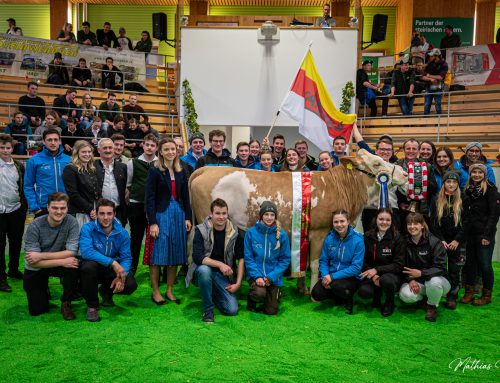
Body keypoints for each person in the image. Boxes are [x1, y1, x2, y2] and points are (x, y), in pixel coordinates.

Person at [145, 138, 192, 305]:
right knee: (157, 256)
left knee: (174, 254)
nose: (171, 152)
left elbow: (186, 197)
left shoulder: (181, 171)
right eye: (167, 149)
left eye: (173, 149)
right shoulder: (154, 170)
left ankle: (170, 290)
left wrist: (187, 217)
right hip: (160, 215)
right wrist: (152, 223)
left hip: (178, 215)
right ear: (161, 151)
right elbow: (149, 198)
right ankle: (156, 292)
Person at [186, 198, 245, 322]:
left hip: (222, 276)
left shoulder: (234, 232)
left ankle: (211, 292)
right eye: (217, 213)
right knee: (204, 271)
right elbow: (197, 257)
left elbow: (241, 258)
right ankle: (208, 310)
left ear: (227, 214)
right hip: (202, 272)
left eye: (224, 213)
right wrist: (220, 264)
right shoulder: (200, 230)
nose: (221, 217)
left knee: (232, 309)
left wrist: (238, 283)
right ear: (211, 214)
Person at [23, 192, 79, 320]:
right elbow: (32, 261)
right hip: (36, 268)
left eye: (62, 208)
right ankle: (43, 288)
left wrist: (41, 256)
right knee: (38, 310)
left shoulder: (71, 222)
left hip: (48, 261)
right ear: (47, 207)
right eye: (54, 208)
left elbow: (72, 252)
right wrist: (61, 261)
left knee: (73, 264)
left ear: (67, 208)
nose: (59, 212)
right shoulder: (34, 225)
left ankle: (66, 302)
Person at [80, 199, 138, 322]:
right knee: (87, 267)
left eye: (109, 213)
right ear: (96, 214)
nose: (106, 217)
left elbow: (126, 258)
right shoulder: (87, 228)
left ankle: (106, 292)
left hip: (110, 269)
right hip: (94, 267)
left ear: (114, 214)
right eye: (102, 213)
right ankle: (92, 306)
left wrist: (121, 275)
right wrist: (113, 262)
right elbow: (86, 252)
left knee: (130, 284)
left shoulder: (122, 233)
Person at [311, 209, 364, 314]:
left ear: (348, 221)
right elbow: (324, 260)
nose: (339, 225)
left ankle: (348, 299)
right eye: (336, 222)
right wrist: (325, 276)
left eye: (342, 221)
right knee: (316, 294)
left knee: (337, 286)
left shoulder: (358, 240)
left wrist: (332, 277)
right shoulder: (329, 238)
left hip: (351, 277)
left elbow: (356, 268)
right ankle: (339, 297)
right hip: (331, 275)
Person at [399, 212, 450, 322]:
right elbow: (401, 265)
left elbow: (440, 268)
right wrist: (410, 280)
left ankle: (432, 306)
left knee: (434, 282)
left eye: (416, 223)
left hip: (439, 282)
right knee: (405, 295)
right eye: (409, 224)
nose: (412, 227)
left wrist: (422, 273)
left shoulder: (434, 242)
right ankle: (425, 300)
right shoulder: (403, 242)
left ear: (422, 225)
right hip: (417, 283)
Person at [460, 163, 499, 306]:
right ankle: (469, 292)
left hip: (484, 234)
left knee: (485, 264)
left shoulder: (491, 190)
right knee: (470, 263)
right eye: (473, 172)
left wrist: (487, 235)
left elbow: (494, 215)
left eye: (479, 172)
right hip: (470, 234)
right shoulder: (468, 190)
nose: (476, 174)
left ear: (484, 174)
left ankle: (486, 295)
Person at [244, 201, 291, 315]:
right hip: (256, 275)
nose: (269, 218)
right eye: (266, 214)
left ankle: (274, 295)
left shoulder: (282, 235)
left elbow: (285, 260)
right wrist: (257, 276)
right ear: (261, 216)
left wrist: (271, 277)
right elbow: (248, 258)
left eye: (272, 215)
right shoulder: (250, 233)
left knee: (271, 311)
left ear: (275, 216)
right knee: (259, 293)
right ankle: (252, 299)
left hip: (273, 276)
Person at [430, 170, 466, 310]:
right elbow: (433, 222)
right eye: (448, 182)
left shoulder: (464, 198)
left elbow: (467, 222)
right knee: (440, 268)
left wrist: (457, 240)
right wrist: (441, 240)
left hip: (457, 242)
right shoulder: (436, 199)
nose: (451, 185)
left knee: (454, 269)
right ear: (444, 183)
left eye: (454, 182)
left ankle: (452, 296)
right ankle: (441, 293)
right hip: (441, 242)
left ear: (457, 184)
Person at [358, 209, 405, 317]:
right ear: (376, 220)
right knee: (364, 292)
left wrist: (377, 270)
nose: (384, 222)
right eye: (381, 219)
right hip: (371, 273)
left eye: (388, 220)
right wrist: (373, 275)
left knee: (386, 280)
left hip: (391, 274)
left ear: (392, 221)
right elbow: (363, 260)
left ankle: (389, 302)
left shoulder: (398, 238)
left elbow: (398, 265)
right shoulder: (367, 236)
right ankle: (376, 294)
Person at [126, 134, 158, 275]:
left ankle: (158, 267)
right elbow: (128, 184)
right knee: (136, 238)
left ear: (156, 148)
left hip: (156, 207)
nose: (149, 147)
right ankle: (132, 267)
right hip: (136, 204)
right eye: (147, 144)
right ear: (143, 145)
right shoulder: (133, 163)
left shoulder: (160, 163)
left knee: (156, 238)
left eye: (152, 145)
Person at [0, 134, 27, 292]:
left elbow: (22, 188)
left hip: (16, 209)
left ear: (12, 148)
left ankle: (13, 269)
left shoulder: (18, 166)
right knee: (0, 244)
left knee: (16, 241)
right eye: (2, 147)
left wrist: (23, 207)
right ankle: (1, 277)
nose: (5, 150)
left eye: (7, 147)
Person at [24, 128, 71, 217]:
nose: (53, 143)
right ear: (44, 141)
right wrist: (35, 208)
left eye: (55, 140)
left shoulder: (69, 160)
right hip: (43, 207)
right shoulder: (34, 160)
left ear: (60, 141)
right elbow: (28, 185)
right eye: (49, 140)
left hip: (65, 206)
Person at [396, 138, 438, 229]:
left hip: (421, 209)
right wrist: (399, 203)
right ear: (403, 150)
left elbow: (434, 188)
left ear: (418, 150)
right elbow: (392, 189)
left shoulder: (426, 166)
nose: (411, 151)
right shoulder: (396, 166)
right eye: (408, 148)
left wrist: (422, 177)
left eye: (414, 148)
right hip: (402, 210)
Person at [62, 140, 101, 228]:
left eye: (89, 151)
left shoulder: (92, 169)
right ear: (77, 153)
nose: (87, 154)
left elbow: (97, 191)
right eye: (83, 152)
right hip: (79, 213)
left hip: (93, 212)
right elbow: (73, 194)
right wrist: (90, 209)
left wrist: (98, 209)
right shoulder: (70, 169)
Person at [95, 138, 128, 225]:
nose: (108, 150)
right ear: (99, 150)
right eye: (105, 148)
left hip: (119, 211)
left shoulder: (123, 167)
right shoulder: (92, 167)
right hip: (99, 212)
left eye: (110, 147)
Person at [422, 48, 448, 115]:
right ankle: (425, 122)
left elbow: (441, 77)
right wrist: (430, 79)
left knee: (438, 106)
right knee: (426, 106)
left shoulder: (444, 64)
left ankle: (438, 124)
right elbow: (423, 76)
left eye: (432, 56)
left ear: (437, 56)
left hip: (438, 87)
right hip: (428, 87)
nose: (430, 57)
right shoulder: (429, 64)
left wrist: (429, 76)